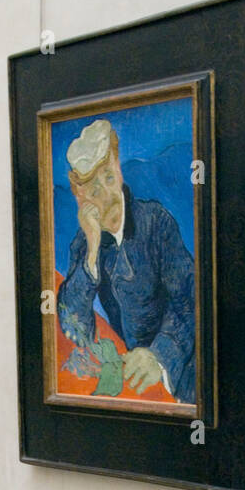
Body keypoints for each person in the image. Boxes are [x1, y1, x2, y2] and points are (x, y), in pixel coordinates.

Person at [56, 118, 197, 405]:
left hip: (182, 372)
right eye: (94, 191)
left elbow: (191, 302)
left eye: (109, 178)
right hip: (134, 386)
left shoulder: (155, 221)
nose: (108, 197)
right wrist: (92, 253)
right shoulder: (84, 244)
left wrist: (159, 357)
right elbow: (76, 330)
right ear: (79, 194)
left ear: (119, 167)